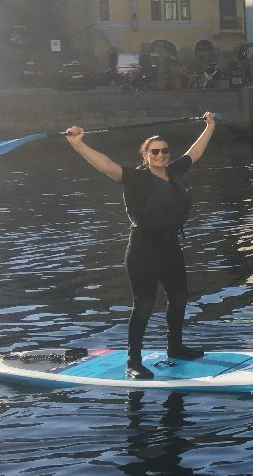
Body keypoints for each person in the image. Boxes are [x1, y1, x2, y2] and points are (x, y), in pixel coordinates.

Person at [65, 113, 218, 379]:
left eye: (165, 151)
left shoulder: (175, 171)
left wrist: (210, 126)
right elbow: (105, 165)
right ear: (145, 155)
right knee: (144, 304)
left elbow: (195, 152)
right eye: (154, 151)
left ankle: (176, 348)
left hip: (170, 245)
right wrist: (78, 144)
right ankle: (133, 361)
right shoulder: (137, 179)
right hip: (143, 248)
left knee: (179, 298)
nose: (161, 155)